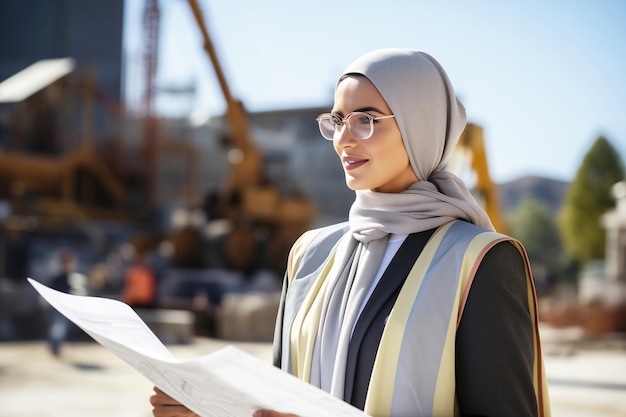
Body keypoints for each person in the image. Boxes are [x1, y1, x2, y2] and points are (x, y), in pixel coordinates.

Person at [150, 49, 551, 417]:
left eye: (366, 120)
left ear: (420, 126)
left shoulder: (480, 261)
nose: (343, 139)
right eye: (338, 120)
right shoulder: (309, 254)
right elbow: (278, 398)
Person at [47, 248, 88, 356]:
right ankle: (55, 347)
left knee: (58, 327)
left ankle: (55, 347)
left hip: (64, 306)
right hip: (60, 306)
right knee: (58, 327)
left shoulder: (68, 276)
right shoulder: (61, 277)